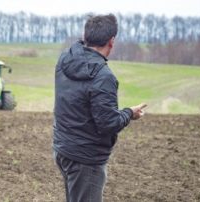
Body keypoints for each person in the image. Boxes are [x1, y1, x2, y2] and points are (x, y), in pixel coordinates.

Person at [53, 14, 146, 202]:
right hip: (86, 159)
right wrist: (130, 113)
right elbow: (108, 124)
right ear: (111, 42)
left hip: (64, 149)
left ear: (85, 36)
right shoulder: (104, 77)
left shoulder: (65, 60)